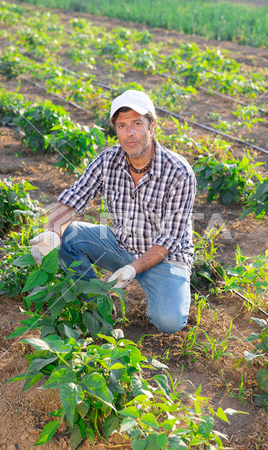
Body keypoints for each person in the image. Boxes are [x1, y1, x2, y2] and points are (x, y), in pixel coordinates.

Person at [31, 89, 197, 334]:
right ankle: (94, 303)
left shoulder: (178, 172)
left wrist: (133, 269)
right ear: (116, 130)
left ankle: (153, 292)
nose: (130, 134)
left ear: (152, 127)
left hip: (165, 258)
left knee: (169, 322)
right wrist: (51, 233)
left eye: (137, 124)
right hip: (121, 245)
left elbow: (169, 240)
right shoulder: (108, 160)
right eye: (122, 125)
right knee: (68, 234)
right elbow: (72, 200)